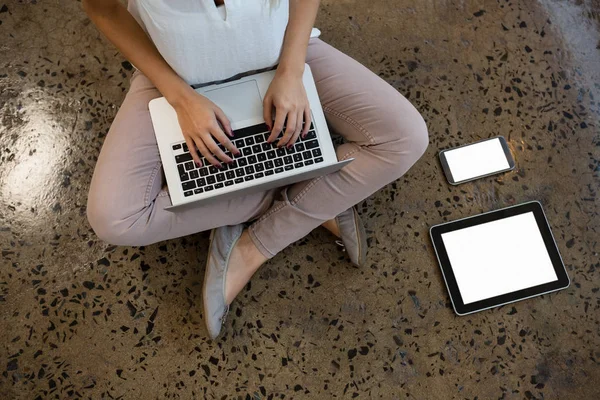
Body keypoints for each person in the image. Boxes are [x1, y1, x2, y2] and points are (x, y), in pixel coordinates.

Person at [83, 0, 429, 339]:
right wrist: (180, 98)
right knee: (116, 220)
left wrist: (292, 72)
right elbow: (102, 8)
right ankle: (306, 185)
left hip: (281, 53)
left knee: (405, 137)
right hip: (175, 75)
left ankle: (255, 246)